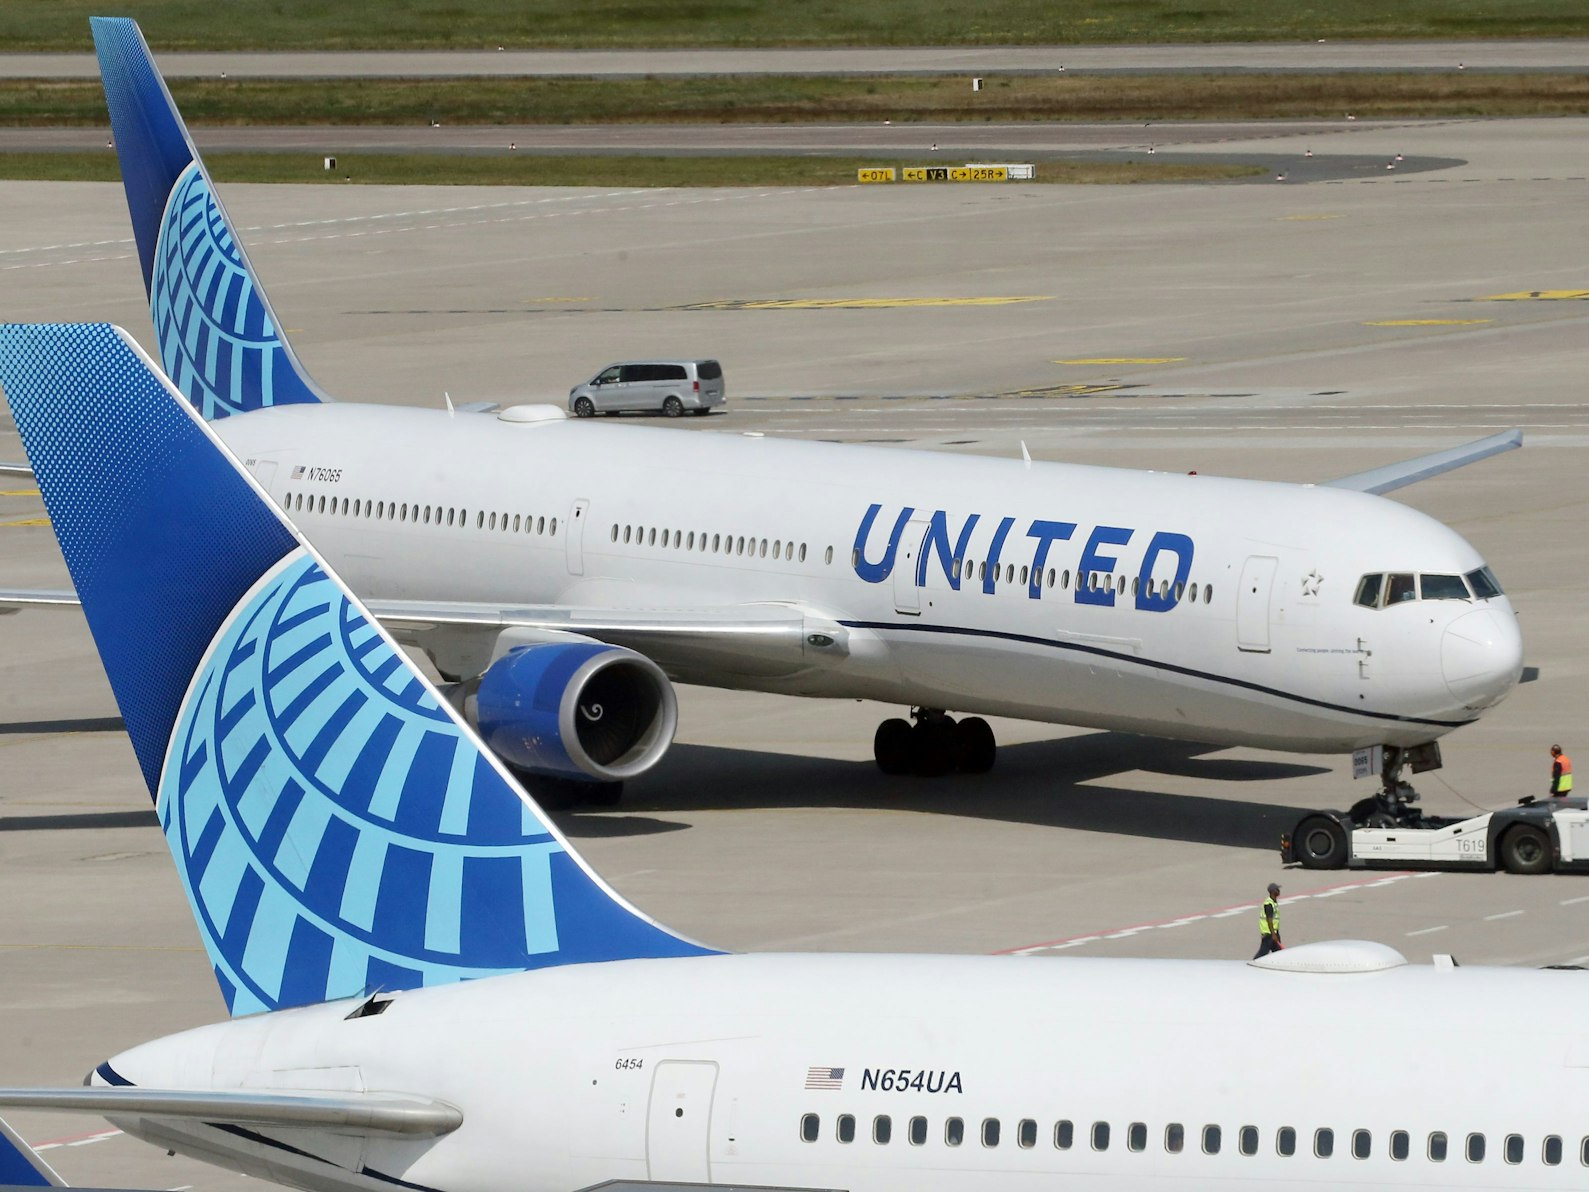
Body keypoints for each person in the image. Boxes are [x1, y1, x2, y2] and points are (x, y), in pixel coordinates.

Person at [1254, 882, 1283, 958]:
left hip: (1274, 932)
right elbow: (1269, 920)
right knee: (1262, 953)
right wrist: (1273, 934)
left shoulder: (1273, 902)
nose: (1279, 891)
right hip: (1268, 934)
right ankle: (1253, 963)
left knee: (1279, 953)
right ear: (1273, 891)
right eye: (1277, 889)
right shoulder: (1269, 904)